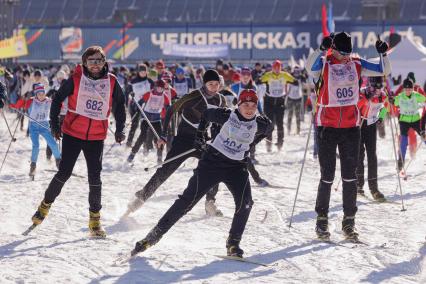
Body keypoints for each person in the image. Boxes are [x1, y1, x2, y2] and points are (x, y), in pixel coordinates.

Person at [130, 89, 273, 258]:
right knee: (186, 202)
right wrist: (200, 136)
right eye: (245, 105)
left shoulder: (260, 123)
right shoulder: (226, 115)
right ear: (239, 105)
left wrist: (253, 143)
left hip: (236, 168)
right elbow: (206, 114)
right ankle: (152, 237)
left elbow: (269, 128)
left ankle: (233, 244)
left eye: (253, 105)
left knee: (246, 204)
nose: (249, 109)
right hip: (212, 163)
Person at [29, 46, 126, 237]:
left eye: (99, 60)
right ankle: (44, 205)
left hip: (96, 137)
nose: (96, 65)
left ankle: (95, 221)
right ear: (84, 63)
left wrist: (120, 129)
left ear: (104, 61)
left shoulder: (112, 82)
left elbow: (120, 106)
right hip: (73, 133)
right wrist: (55, 125)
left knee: (95, 178)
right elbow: (56, 100)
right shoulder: (75, 79)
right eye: (91, 61)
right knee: (64, 172)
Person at [306, 31, 391, 240]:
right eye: (341, 52)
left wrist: (383, 53)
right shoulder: (324, 63)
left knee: (350, 176)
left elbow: (383, 70)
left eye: (348, 52)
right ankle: (322, 220)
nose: (345, 57)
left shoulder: (356, 62)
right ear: (334, 48)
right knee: (327, 176)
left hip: (351, 128)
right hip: (327, 126)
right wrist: (321, 49)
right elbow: (309, 67)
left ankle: (349, 221)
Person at [124, 69, 227, 217]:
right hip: (184, 140)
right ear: (204, 84)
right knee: (165, 171)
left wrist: (217, 137)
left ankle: (210, 202)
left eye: (216, 84)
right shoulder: (193, 96)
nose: (214, 87)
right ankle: (141, 197)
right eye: (210, 84)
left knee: (214, 167)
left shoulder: (221, 100)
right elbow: (171, 110)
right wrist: (163, 135)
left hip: (202, 140)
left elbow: (220, 121)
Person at [10, 84, 61, 177]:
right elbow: (20, 104)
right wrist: (13, 105)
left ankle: (59, 161)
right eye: (39, 94)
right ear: (36, 94)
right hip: (33, 126)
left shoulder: (49, 101)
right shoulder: (31, 100)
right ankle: (33, 165)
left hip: (44, 125)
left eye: (43, 93)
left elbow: (59, 105)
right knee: (36, 146)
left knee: (53, 143)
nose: (41, 95)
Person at [355, 77, 388, 201]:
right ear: (370, 86)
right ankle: (358, 185)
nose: (378, 91)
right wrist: (365, 99)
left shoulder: (382, 95)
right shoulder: (362, 93)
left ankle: (374, 189)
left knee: (372, 156)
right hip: (359, 125)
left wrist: (381, 117)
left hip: (371, 126)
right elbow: (356, 106)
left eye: (380, 88)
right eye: (375, 88)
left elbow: (385, 107)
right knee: (359, 155)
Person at [127, 79, 170, 164]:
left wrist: (169, 110)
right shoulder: (149, 94)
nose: (160, 90)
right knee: (142, 136)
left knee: (160, 138)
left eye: (161, 88)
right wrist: (137, 108)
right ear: (155, 87)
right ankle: (132, 154)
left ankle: (159, 157)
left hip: (156, 120)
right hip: (146, 118)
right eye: (158, 88)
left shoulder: (164, 96)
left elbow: (168, 107)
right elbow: (140, 102)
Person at [261, 60, 295, 151]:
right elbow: (259, 80)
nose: (276, 70)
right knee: (269, 124)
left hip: (280, 102)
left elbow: (294, 81)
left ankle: (280, 144)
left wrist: (297, 77)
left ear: (280, 68)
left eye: (278, 68)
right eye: (275, 68)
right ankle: (269, 144)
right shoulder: (268, 75)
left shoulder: (285, 75)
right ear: (272, 68)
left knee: (280, 124)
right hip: (269, 102)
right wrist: (260, 79)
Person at [394, 78, 426, 175]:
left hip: (416, 120)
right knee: (404, 141)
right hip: (404, 121)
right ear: (403, 89)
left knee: (424, 136)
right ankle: (401, 161)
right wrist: (392, 100)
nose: (408, 91)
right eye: (406, 89)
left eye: (410, 89)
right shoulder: (400, 96)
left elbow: (424, 99)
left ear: (413, 89)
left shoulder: (416, 96)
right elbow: (394, 102)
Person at [126, 64, 154, 148]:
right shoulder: (133, 81)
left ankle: (147, 144)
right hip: (135, 105)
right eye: (141, 71)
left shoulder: (150, 81)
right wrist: (131, 96)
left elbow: (153, 92)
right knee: (134, 124)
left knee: (146, 125)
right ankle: (129, 142)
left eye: (144, 71)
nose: (143, 73)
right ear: (138, 72)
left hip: (146, 106)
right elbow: (128, 92)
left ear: (146, 72)